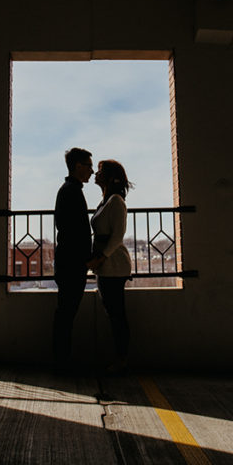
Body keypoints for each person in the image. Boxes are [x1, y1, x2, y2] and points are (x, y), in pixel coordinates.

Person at [86, 159, 132, 372]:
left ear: (111, 177)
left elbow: (117, 237)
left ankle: (122, 360)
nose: (96, 173)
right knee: (112, 312)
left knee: (116, 313)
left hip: (114, 264)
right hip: (106, 265)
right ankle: (120, 358)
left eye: (101, 171)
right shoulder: (106, 201)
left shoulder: (116, 201)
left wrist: (100, 258)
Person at [52, 147, 93, 366]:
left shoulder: (69, 189)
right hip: (72, 263)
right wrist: (85, 258)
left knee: (65, 314)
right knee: (66, 314)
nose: (92, 171)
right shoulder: (71, 191)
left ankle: (62, 360)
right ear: (78, 166)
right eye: (88, 166)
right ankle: (62, 362)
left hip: (69, 261)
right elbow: (73, 230)